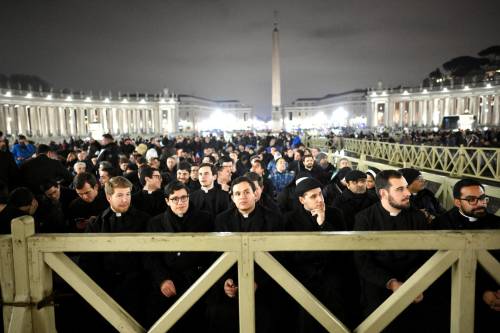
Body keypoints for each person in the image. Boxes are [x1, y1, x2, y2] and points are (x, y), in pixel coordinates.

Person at [353, 170, 444, 333]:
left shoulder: (418, 217)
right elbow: (362, 262)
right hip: (379, 286)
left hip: (414, 284)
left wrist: (415, 284)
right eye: (400, 189)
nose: (408, 193)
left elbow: (427, 257)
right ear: (383, 193)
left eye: (406, 188)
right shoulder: (364, 218)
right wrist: (391, 283)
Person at [208, 177, 281, 333]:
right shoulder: (221, 220)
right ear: (233, 198)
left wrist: (257, 282)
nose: (242, 197)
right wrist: (226, 279)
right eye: (238, 193)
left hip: (264, 282)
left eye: (247, 192)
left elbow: (278, 257)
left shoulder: (273, 219)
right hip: (232, 280)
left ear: (255, 194)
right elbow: (216, 255)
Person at [80, 176, 150, 328]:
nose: (125, 199)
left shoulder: (144, 220)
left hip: (137, 287)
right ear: (108, 197)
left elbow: (149, 257)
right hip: (106, 288)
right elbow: (88, 261)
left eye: (128, 194)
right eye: (120, 195)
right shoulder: (96, 224)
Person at [284, 177, 353, 331]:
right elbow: (291, 254)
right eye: (313, 196)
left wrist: (323, 224)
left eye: (320, 194)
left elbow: (343, 248)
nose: (319, 199)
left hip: (331, 275)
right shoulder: (289, 219)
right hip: (303, 277)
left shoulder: (335, 214)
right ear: (302, 200)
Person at [143, 181, 213, 330]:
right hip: (168, 278)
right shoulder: (155, 223)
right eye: (175, 199)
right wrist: (163, 280)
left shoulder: (205, 219)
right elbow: (151, 257)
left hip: (198, 278)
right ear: (167, 201)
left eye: (184, 197)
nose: (180, 202)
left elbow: (211, 254)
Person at [434, 178, 500, 331]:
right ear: (457, 202)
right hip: (453, 295)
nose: (480, 203)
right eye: (471, 200)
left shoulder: (497, 223)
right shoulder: (442, 225)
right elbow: (441, 269)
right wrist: (482, 292)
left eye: (483, 198)